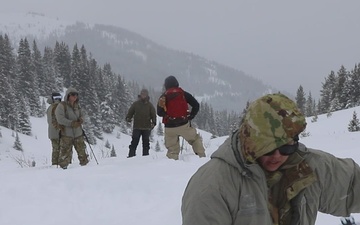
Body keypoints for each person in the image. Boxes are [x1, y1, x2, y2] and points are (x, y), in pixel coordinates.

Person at [181, 93, 360, 225]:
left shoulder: (307, 167)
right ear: (249, 141)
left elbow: (352, 186)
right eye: (266, 149)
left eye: (286, 147)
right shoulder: (212, 186)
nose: (277, 156)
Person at [157, 75, 205, 160]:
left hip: (169, 127)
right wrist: (191, 116)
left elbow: (159, 113)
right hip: (183, 124)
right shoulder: (183, 93)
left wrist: (167, 114)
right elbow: (196, 105)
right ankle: (202, 158)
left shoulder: (163, 97)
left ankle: (173, 166)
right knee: (195, 139)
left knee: (172, 150)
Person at [55, 87, 89, 169]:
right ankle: (63, 173)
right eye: (73, 94)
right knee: (64, 157)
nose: (75, 96)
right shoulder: (61, 106)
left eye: (76, 95)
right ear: (68, 95)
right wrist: (72, 123)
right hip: (66, 134)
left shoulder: (78, 106)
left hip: (78, 134)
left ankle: (86, 170)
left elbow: (83, 115)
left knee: (83, 154)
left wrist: (81, 119)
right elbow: (60, 119)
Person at [125, 88, 156, 157]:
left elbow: (153, 114)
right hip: (137, 127)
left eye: (145, 94)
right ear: (140, 95)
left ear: (147, 95)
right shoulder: (135, 104)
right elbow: (130, 112)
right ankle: (131, 156)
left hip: (146, 127)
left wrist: (154, 122)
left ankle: (145, 157)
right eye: (142, 94)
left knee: (146, 143)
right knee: (134, 142)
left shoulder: (150, 105)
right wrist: (128, 118)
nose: (143, 95)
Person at [46, 92, 62, 165]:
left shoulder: (49, 108)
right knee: (63, 150)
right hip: (60, 132)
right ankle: (62, 164)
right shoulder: (60, 107)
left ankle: (55, 164)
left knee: (55, 149)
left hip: (52, 132)